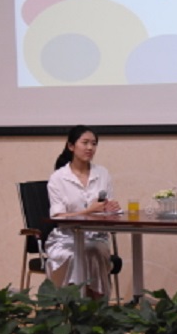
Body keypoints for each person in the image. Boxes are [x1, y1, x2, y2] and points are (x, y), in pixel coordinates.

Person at [45, 125, 121, 300]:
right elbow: (58, 217)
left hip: (96, 237)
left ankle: (96, 305)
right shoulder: (58, 178)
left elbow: (106, 209)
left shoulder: (102, 173)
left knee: (94, 250)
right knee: (76, 255)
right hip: (66, 239)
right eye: (85, 143)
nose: (90, 148)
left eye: (93, 144)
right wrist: (90, 210)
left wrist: (110, 209)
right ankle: (74, 304)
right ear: (71, 146)